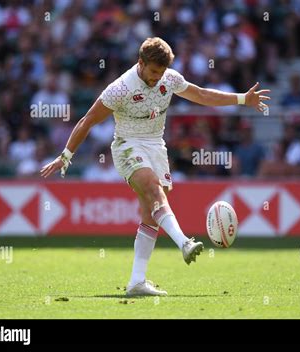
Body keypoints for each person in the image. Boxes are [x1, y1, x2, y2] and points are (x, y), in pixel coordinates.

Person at [40, 37, 270, 296]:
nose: (156, 78)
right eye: (152, 72)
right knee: (154, 189)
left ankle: (137, 282)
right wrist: (66, 155)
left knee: (152, 211)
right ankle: (184, 242)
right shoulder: (121, 88)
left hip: (156, 147)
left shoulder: (169, 78)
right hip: (128, 145)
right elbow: (87, 120)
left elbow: (202, 95)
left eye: (160, 73)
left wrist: (242, 99)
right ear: (141, 63)